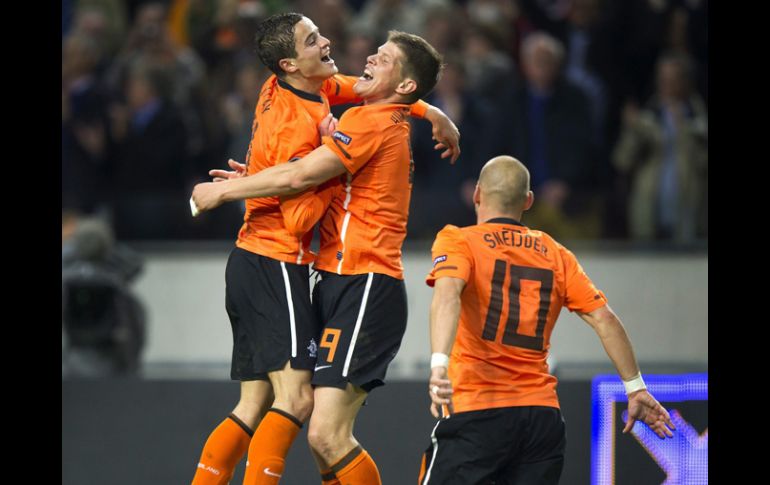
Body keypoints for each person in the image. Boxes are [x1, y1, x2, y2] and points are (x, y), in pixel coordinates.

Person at [190, 13, 458, 485]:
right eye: (314, 39)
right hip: (289, 266)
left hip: (349, 278)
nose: (337, 46)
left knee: (299, 421)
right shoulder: (322, 111)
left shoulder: (301, 92)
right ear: (291, 63)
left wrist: (428, 110)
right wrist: (258, 184)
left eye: (385, 58)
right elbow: (297, 200)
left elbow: (302, 176)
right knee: (304, 415)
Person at [418, 156, 675, 485]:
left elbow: (447, 294)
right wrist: (636, 388)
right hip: (542, 421)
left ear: (477, 194)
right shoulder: (555, 253)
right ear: (528, 201)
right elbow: (604, 319)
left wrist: (438, 363)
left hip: (478, 409)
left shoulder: (458, 239)